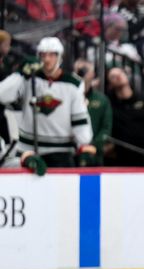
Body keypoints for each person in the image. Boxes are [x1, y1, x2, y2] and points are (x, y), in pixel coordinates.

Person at [0, 37, 96, 175]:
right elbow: (2, 95)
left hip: (61, 151)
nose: (47, 59)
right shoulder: (28, 78)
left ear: (59, 57)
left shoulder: (73, 83)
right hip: (28, 150)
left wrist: (84, 143)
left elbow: (79, 117)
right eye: (43, 55)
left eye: (51, 55)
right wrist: (20, 73)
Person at [106, 67, 144, 166]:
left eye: (120, 72)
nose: (118, 76)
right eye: (113, 76)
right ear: (110, 85)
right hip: (121, 158)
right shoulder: (110, 105)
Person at [74, 59, 112, 165]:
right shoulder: (67, 97)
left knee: (92, 181)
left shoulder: (101, 100)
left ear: (93, 74)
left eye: (85, 70)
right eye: (79, 70)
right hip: (72, 153)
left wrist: (93, 145)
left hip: (94, 154)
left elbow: (106, 128)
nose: (82, 73)